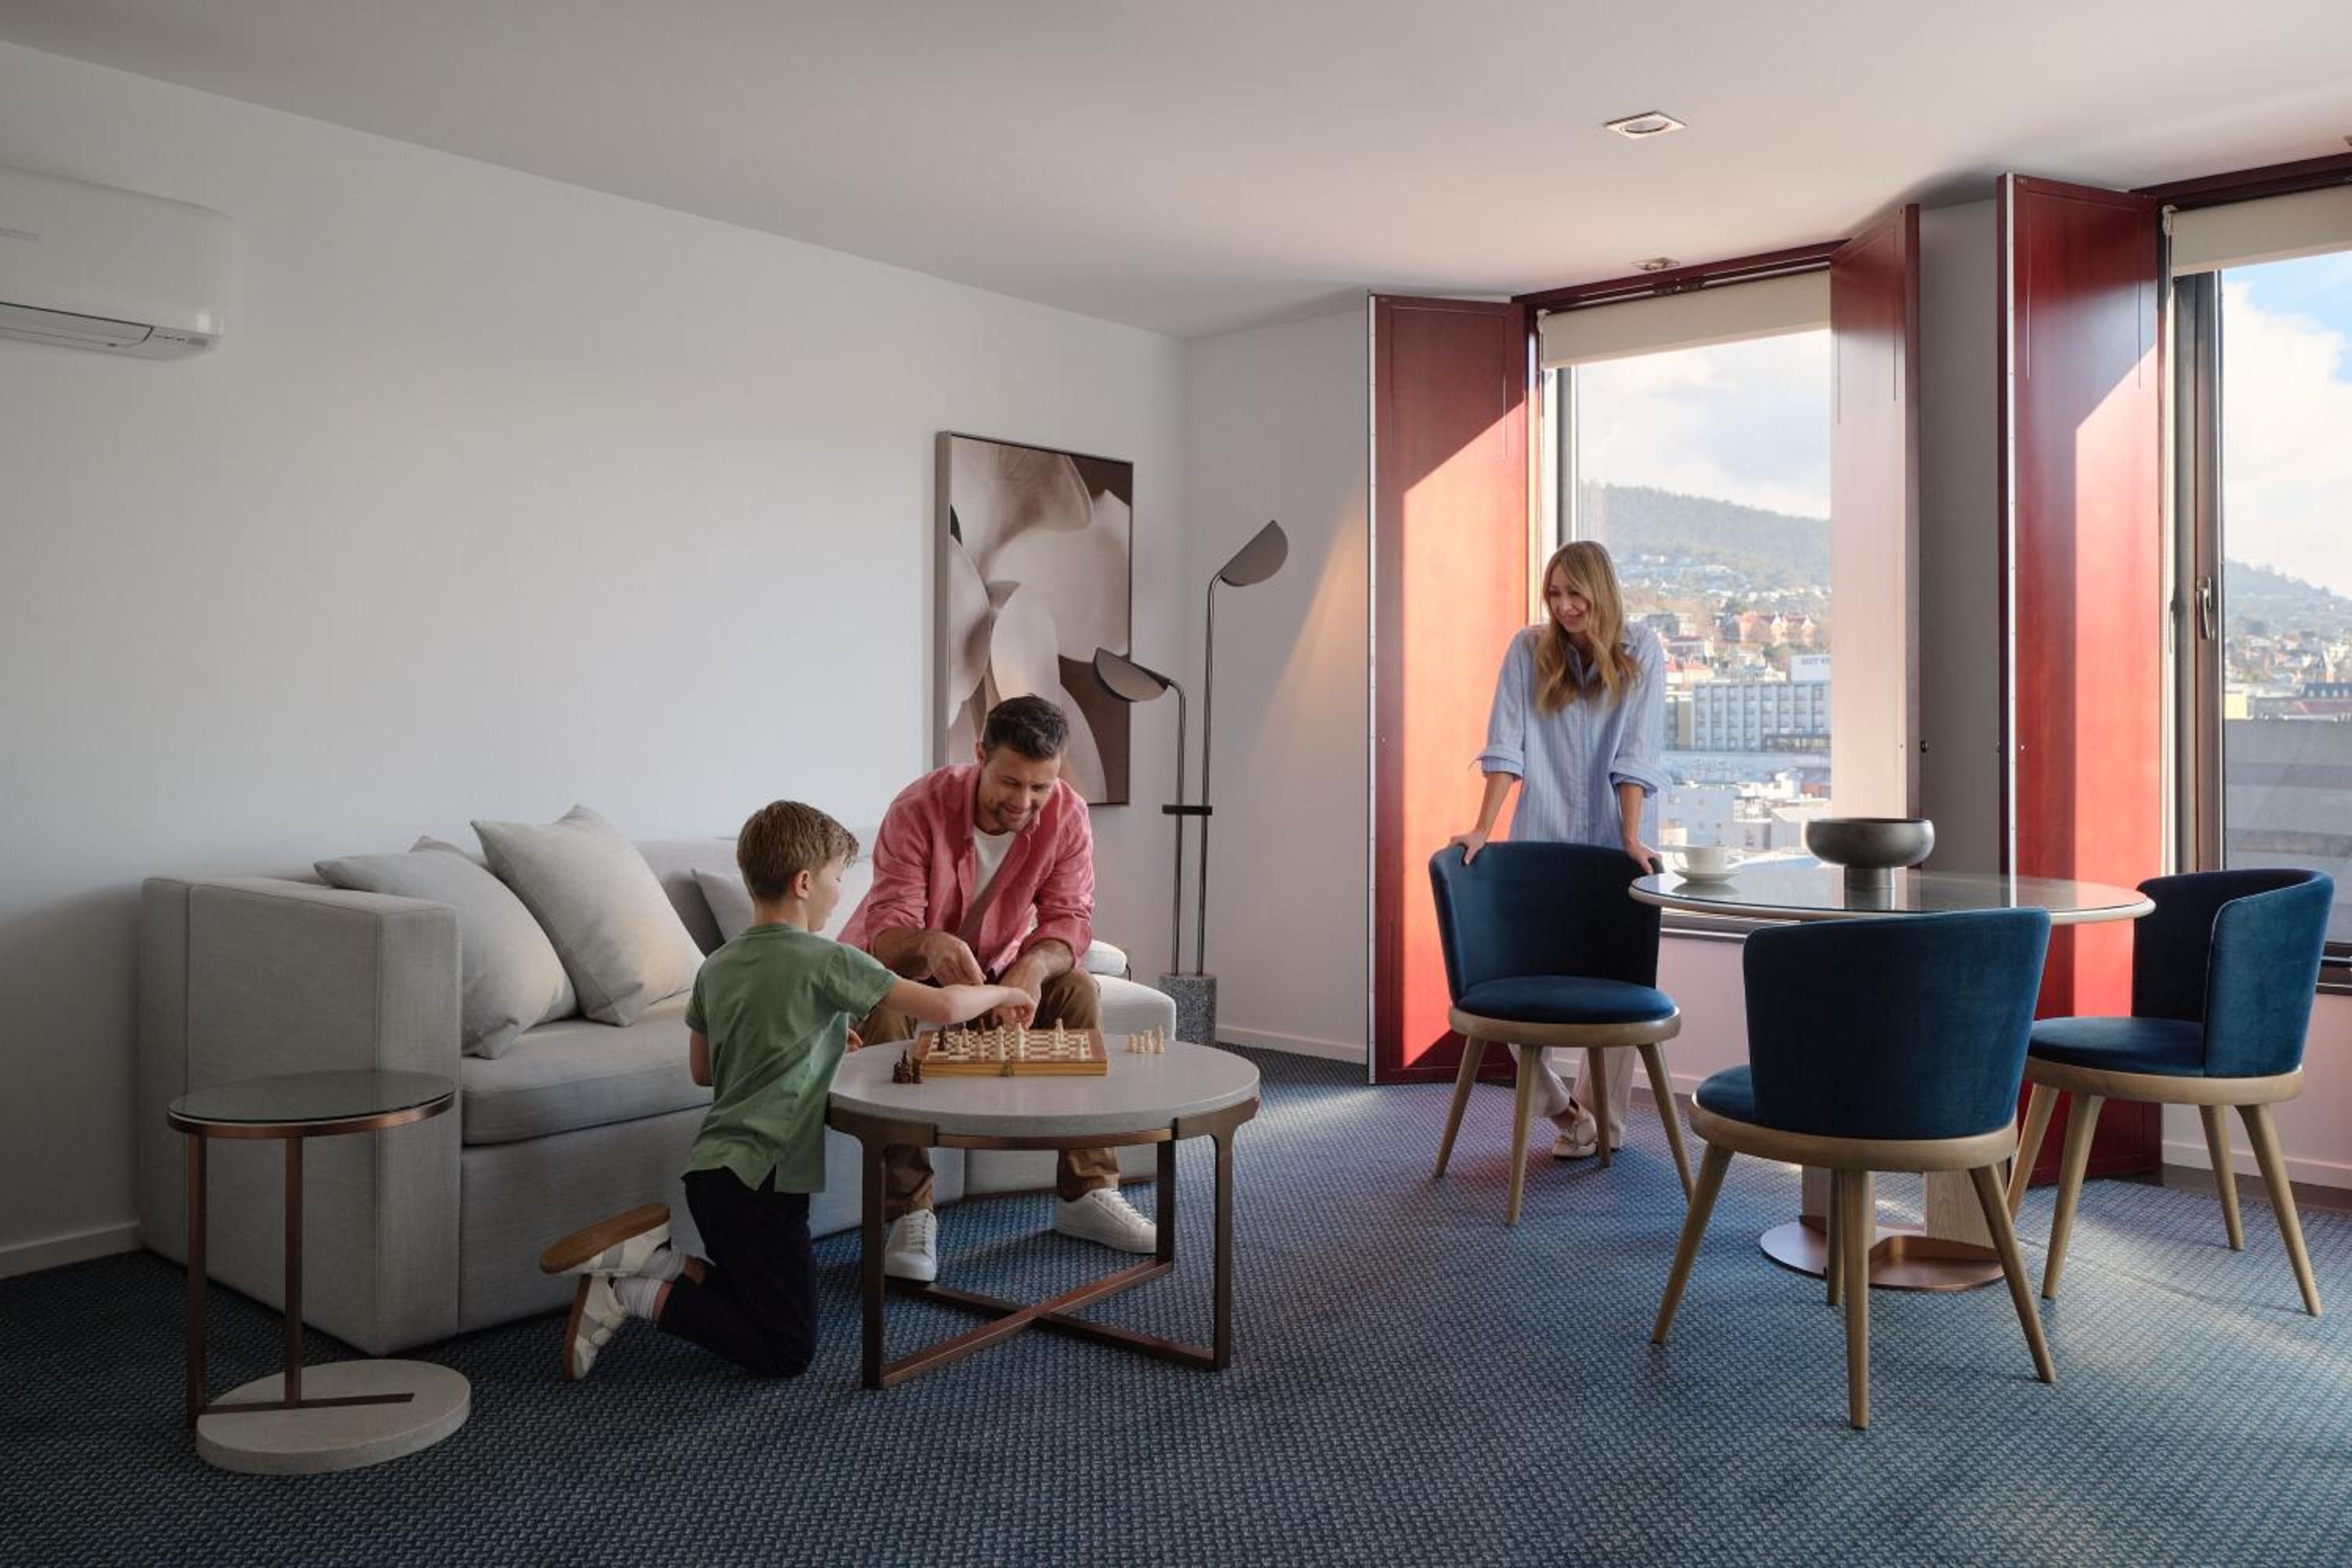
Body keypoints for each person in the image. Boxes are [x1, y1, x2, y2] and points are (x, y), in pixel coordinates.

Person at [535, 800, 1029, 1381]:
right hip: (764, 1184)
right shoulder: (829, 959)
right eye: (838, 878)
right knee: (787, 1350)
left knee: (757, 1300)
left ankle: (660, 1263)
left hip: (714, 1175)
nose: (841, 894)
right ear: (803, 883)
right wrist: (1005, 993)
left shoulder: (716, 966)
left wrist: (817, 1043)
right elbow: (943, 1006)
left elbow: (704, 1070)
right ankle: (631, 1294)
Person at [839, 693, 1156, 1283]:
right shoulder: (918, 808)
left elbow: (1070, 918)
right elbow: (887, 931)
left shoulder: (1066, 813)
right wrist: (931, 946)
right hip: (901, 974)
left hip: (993, 974)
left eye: (1040, 787)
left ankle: (1086, 1193)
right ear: (979, 755)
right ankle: (908, 1210)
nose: (1024, 802)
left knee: (1077, 990)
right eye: (1010, 782)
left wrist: (1030, 969)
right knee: (883, 1004)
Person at [1447, 539, 1669, 1161]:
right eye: (1555, 593)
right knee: (1509, 988)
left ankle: (1605, 1126)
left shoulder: (1642, 649)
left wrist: (1629, 836)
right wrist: (1484, 827)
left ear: (1602, 591)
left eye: (1576, 593)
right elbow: (1506, 744)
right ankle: (1567, 1112)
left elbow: (1636, 754)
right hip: (1539, 845)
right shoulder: (1528, 649)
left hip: (1614, 844)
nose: (1565, 606)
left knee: (1619, 985)